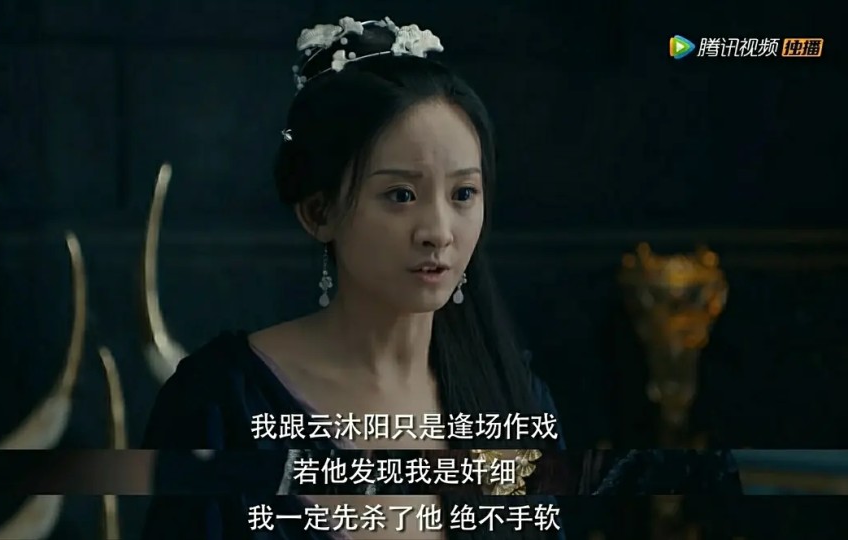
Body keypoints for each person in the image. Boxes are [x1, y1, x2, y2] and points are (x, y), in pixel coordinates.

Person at [140, 15, 740, 540]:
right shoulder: (222, 406)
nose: (438, 231)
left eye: (463, 194)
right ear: (318, 212)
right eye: (400, 195)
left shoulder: (514, 399)